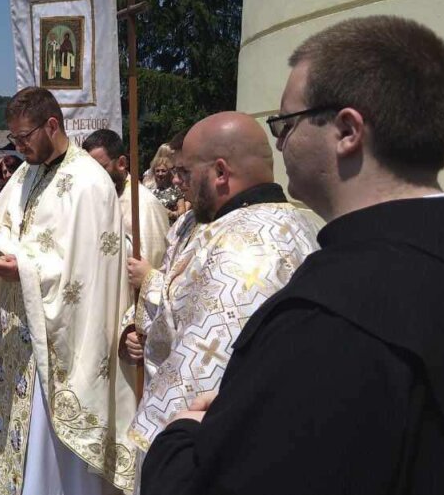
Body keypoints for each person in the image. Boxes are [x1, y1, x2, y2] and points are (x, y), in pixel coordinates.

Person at [141, 16, 444, 495]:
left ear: (348, 130)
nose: (279, 143)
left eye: (284, 124)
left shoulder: (328, 315)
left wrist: (180, 434)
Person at [124, 112, 319, 490]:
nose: (180, 182)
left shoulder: (243, 247)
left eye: (186, 172)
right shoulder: (291, 222)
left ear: (220, 173)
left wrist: (167, 456)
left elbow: (203, 376)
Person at [0, 86, 135, 494]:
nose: (18, 148)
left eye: (24, 138)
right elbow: (7, 226)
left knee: (45, 450)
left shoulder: (89, 183)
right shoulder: (28, 171)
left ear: (51, 125)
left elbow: (86, 271)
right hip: (18, 330)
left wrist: (24, 268)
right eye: (14, 140)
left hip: (58, 342)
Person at [83, 128, 169, 268]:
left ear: (121, 163)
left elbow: (151, 263)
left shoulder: (144, 203)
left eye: (101, 169)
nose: (93, 177)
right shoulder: (93, 198)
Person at [149, 155, 185, 222]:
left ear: (169, 172)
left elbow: (182, 212)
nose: (160, 174)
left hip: (170, 227)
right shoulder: (148, 190)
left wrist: (172, 214)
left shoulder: (176, 189)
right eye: (157, 171)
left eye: (163, 171)